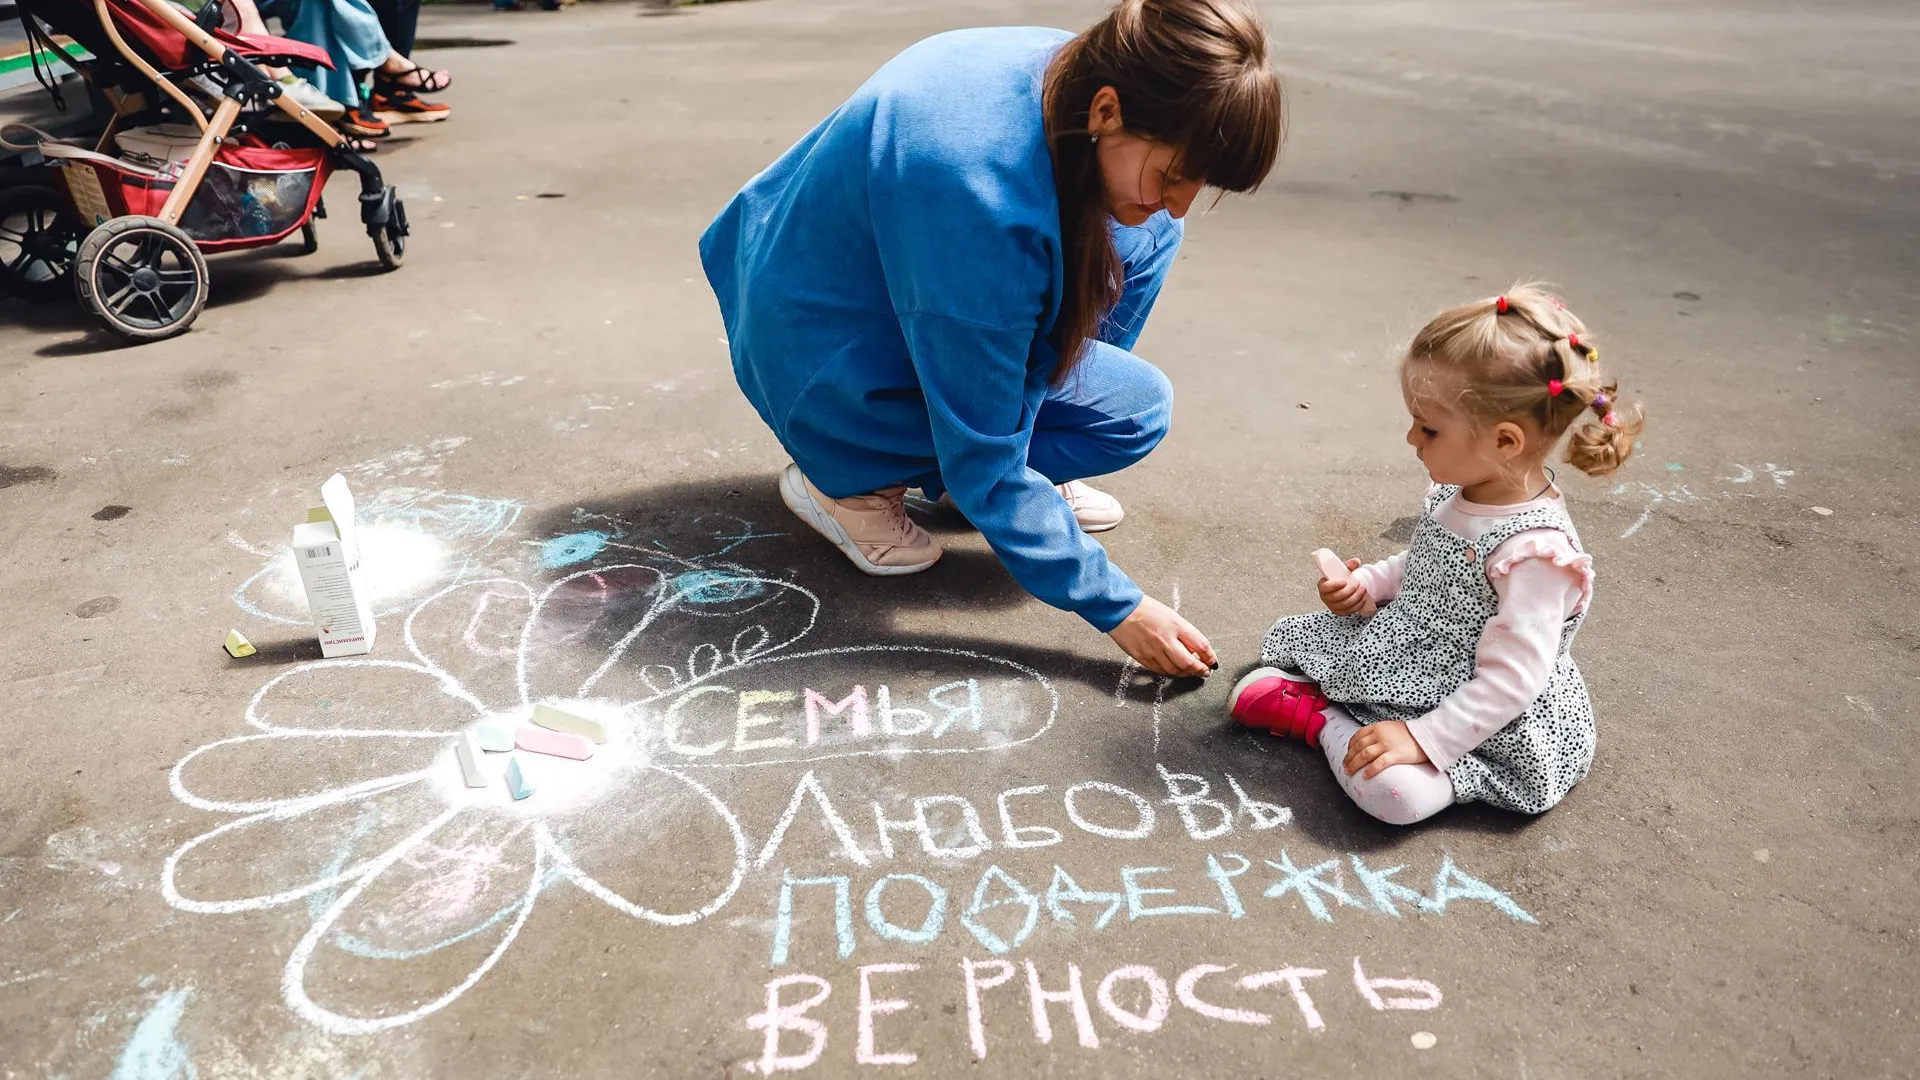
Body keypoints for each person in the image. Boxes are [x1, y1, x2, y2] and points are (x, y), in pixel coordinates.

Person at [699, 0, 1283, 678]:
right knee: (1068, 434)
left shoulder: (1094, 72)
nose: (1183, 199)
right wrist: (1120, 608)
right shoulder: (976, 195)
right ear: (1105, 112)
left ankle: (976, 464)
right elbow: (985, 457)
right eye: (1175, 175)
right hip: (820, 354)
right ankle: (843, 479)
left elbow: (1124, 227)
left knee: (1146, 252)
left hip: (885, 286)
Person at [1228, 284, 1644, 825]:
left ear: (1505, 442)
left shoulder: (1536, 556)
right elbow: (1431, 565)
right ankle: (1348, 716)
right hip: (1415, 657)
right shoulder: (1469, 488)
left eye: (1428, 428)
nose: (1410, 438)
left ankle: (1323, 719)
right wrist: (1372, 585)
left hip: (1483, 716)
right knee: (1281, 646)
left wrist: (1423, 739)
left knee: (1396, 798)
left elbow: (1512, 679)